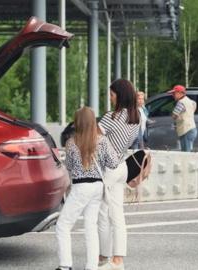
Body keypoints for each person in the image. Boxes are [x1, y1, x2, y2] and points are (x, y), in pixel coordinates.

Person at [55, 107, 119, 270]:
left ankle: (65, 265)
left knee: (63, 225)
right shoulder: (102, 140)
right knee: (91, 226)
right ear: (93, 122)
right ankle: (91, 266)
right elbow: (113, 163)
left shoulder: (71, 143)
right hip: (97, 186)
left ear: (77, 123)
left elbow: (69, 166)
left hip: (80, 187)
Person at [98, 79, 140, 270]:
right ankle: (118, 260)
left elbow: (94, 140)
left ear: (119, 95)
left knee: (102, 214)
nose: (110, 97)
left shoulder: (111, 117)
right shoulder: (136, 116)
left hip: (108, 169)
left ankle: (103, 257)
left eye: (112, 94)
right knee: (117, 214)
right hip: (121, 166)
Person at [168, 85, 197, 152]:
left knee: (186, 153)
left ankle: (186, 162)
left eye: (174, 93)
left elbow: (174, 115)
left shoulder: (181, 102)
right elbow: (195, 105)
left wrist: (176, 117)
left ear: (180, 93)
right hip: (192, 129)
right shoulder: (190, 101)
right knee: (187, 151)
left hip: (186, 131)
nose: (172, 95)